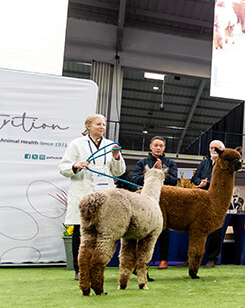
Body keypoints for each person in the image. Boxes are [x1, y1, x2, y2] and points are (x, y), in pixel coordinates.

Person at [59, 114, 126, 280]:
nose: (102, 127)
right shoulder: (76, 144)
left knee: (103, 231)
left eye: (103, 124)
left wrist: (117, 157)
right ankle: (79, 269)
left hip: (105, 195)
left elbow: (119, 172)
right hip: (83, 192)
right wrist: (76, 165)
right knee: (81, 231)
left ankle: (98, 266)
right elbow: (63, 167)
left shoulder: (111, 145)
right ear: (88, 126)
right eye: (98, 124)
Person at [133, 136, 179, 269]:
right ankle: (142, 260)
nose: (158, 147)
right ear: (151, 147)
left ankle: (163, 259)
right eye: (156, 145)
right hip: (144, 201)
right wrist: (153, 172)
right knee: (143, 229)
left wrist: (161, 173)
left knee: (164, 229)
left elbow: (174, 181)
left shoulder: (170, 163)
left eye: (161, 145)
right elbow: (135, 179)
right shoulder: (142, 163)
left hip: (163, 201)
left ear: (164, 148)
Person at [191, 140, 226, 268]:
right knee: (197, 229)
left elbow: (224, 181)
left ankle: (212, 259)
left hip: (217, 202)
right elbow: (194, 178)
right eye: (211, 148)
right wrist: (200, 182)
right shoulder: (204, 163)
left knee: (216, 230)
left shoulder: (225, 164)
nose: (213, 150)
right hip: (202, 200)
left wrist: (209, 183)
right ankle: (194, 259)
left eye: (216, 148)